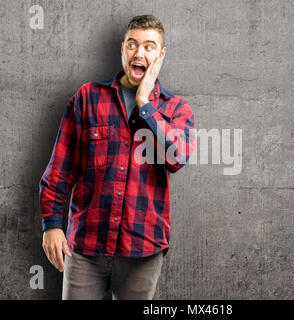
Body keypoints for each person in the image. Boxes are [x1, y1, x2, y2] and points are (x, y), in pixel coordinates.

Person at [39, 14, 196, 300]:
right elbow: (60, 169)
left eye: (149, 46)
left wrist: (145, 105)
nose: (139, 52)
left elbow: (177, 157)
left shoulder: (176, 109)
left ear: (161, 55)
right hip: (85, 246)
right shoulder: (88, 97)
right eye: (132, 44)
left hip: (142, 250)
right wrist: (52, 224)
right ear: (122, 49)